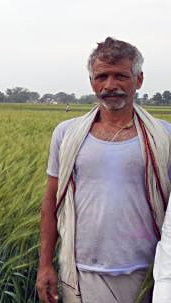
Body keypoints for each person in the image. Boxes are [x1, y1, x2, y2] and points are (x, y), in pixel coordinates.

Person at [36, 37, 171, 303]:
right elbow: (51, 201)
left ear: (139, 80)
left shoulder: (164, 136)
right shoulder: (66, 134)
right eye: (102, 76)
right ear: (92, 82)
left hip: (149, 273)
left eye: (121, 76)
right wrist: (45, 265)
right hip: (80, 272)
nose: (110, 85)